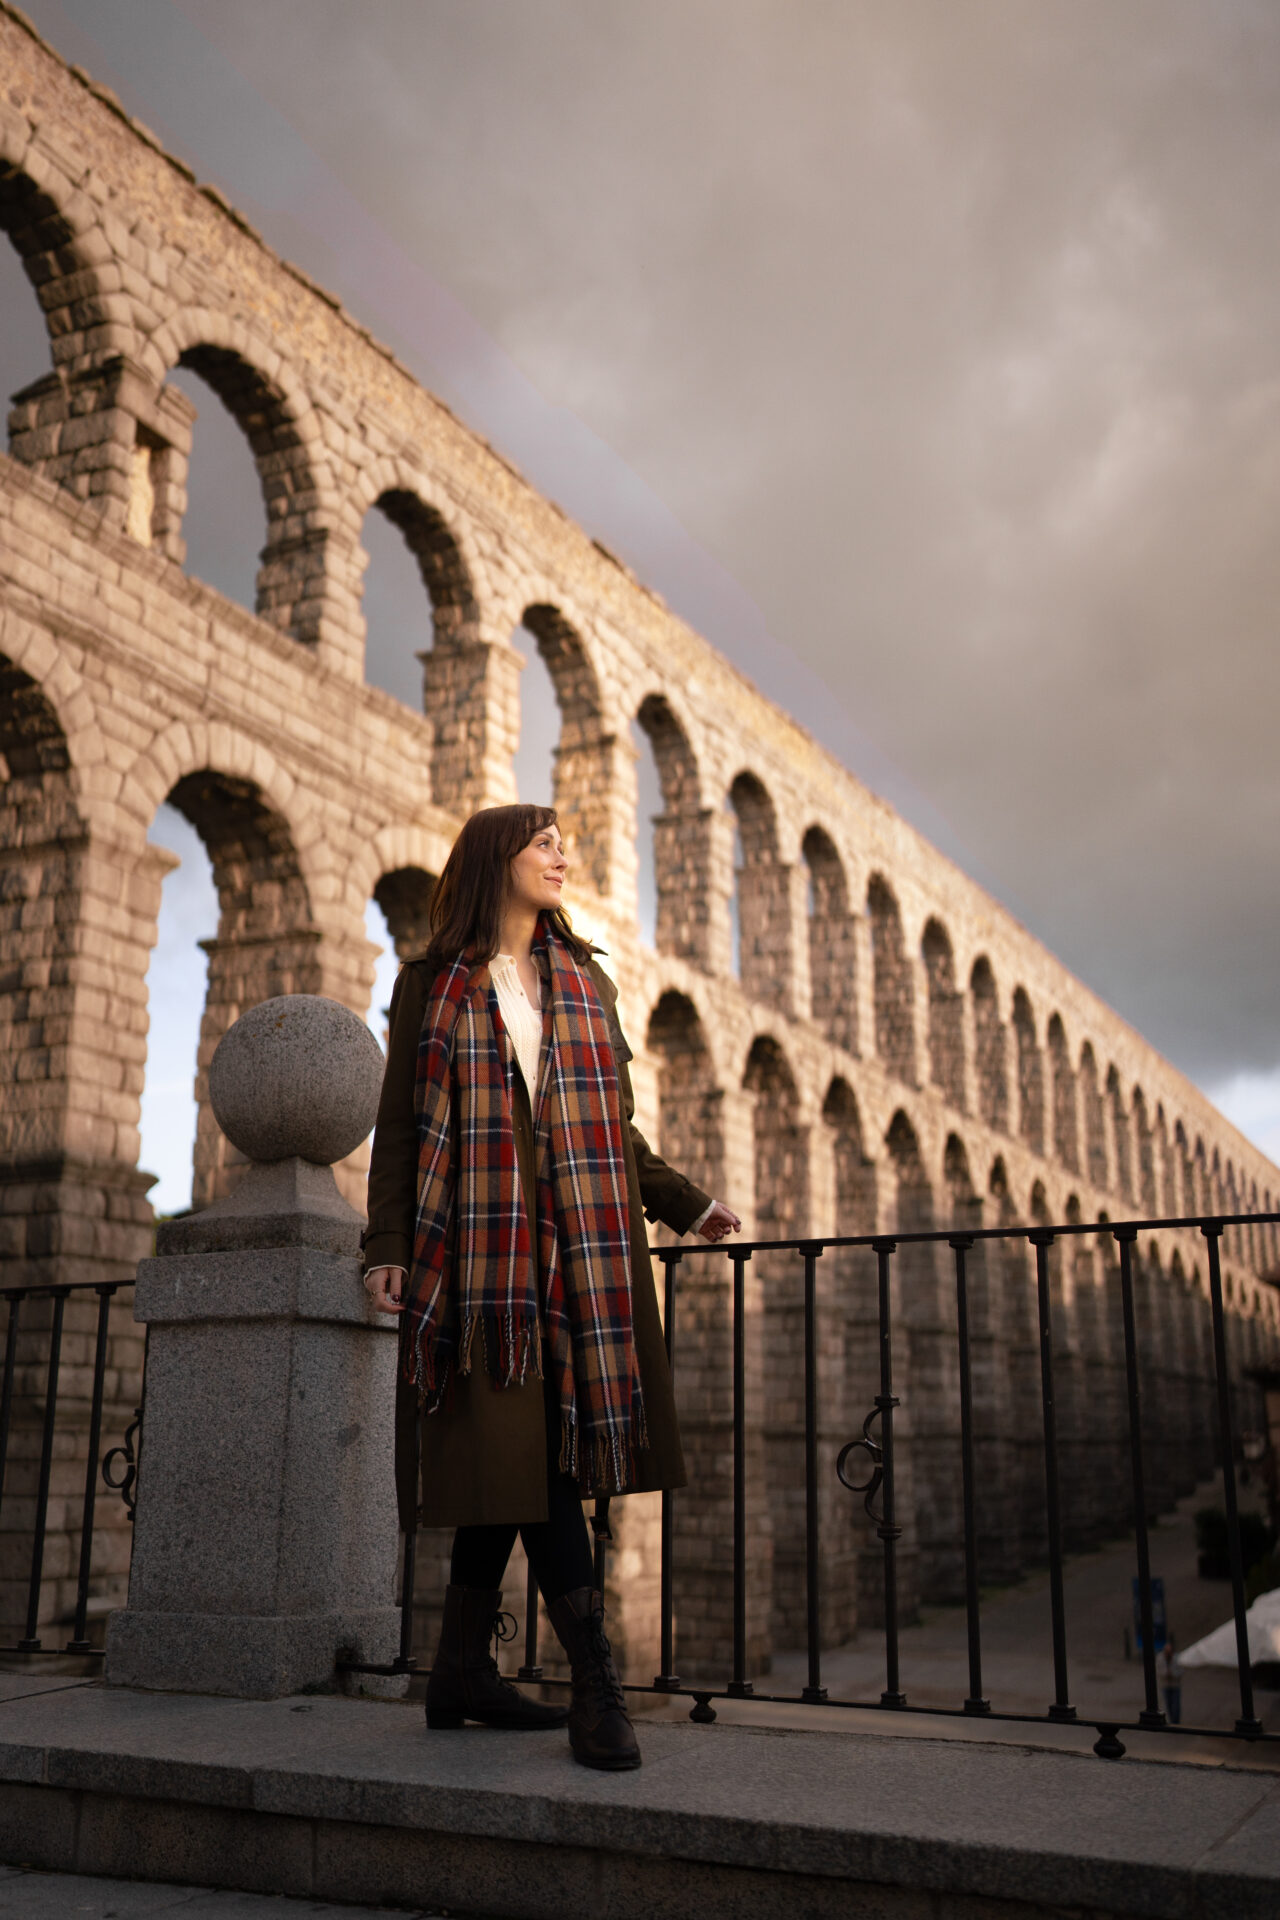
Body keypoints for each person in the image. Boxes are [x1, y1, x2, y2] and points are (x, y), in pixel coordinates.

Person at [361, 803, 740, 1771]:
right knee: (530, 1463)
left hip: (585, 1249)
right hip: (478, 1257)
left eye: (561, 841)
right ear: (496, 860)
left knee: (520, 1463)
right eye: (543, 843)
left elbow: (615, 1125)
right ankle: (597, 1689)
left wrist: (685, 1204)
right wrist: (387, 1244)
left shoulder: (583, 980)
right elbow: (402, 1130)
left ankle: (458, 1673)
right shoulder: (429, 985)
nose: (561, 856)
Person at [1158, 1633, 1183, 1724]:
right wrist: (1166, 1673)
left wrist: (1173, 1674)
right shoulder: (1160, 1658)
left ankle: (1176, 1721)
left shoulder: (1176, 1658)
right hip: (1165, 1685)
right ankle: (1172, 1721)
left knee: (1176, 1705)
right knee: (1168, 1704)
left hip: (1175, 1684)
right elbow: (1159, 1670)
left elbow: (1181, 1670)